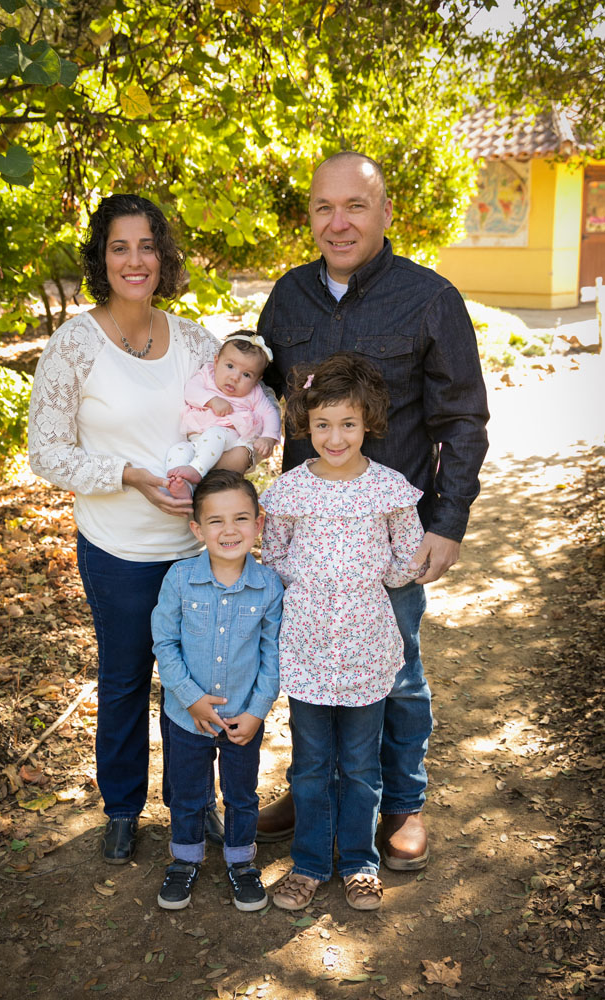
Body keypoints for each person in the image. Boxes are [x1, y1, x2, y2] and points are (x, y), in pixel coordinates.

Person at [256, 151, 489, 870]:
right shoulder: (287, 298)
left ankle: (402, 804)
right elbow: (260, 403)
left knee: (398, 673)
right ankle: (316, 787)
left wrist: (447, 524)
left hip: (388, 538)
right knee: (310, 665)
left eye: (354, 206)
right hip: (306, 539)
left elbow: (463, 421)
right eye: (324, 207)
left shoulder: (429, 298)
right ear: (310, 217)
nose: (338, 221)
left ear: (384, 212)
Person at [28, 194, 259, 865]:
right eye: (119, 247)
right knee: (126, 681)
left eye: (146, 246)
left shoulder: (193, 339)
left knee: (199, 685)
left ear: (163, 256)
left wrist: (228, 470)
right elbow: (47, 452)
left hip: (195, 552)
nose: (135, 260)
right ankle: (123, 808)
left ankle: (197, 805)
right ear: (102, 258)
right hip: (117, 552)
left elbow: (241, 425)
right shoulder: (75, 343)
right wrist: (130, 474)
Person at [261, 353, 424, 911]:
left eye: (348, 424)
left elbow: (408, 557)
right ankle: (308, 863)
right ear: (307, 422)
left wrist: (365, 581)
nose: (335, 437)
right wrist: (313, 589)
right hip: (307, 647)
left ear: (368, 422)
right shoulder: (289, 490)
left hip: (366, 648)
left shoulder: (390, 488)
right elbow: (275, 557)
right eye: (324, 424)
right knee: (308, 765)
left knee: (359, 765)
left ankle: (357, 862)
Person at [152, 470, 283, 910]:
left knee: (242, 794)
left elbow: (273, 654)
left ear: (259, 523)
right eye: (216, 521)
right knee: (188, 793)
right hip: (186, 714)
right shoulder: (179, 579)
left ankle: (242, 862)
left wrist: (259, 709)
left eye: (241, 519)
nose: (230, 531)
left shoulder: (268, 586)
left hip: (242, 715)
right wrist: (190, 696)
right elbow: (164, 643)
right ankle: (185, 860)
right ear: (197, 528)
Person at [165, 331, 281, 499]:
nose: (235, 377)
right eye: (230, 366)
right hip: (198, 441)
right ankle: (182, 486)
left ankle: (196, 470)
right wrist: (211, 400)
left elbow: (269, 413)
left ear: (257, 380)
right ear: (217, 361)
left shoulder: (254, 393)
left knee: (215, 434)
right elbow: (191, 390)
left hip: (230, 439)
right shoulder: (207, 374)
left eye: (247, 374)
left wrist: (268, 437)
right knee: (178, 450)